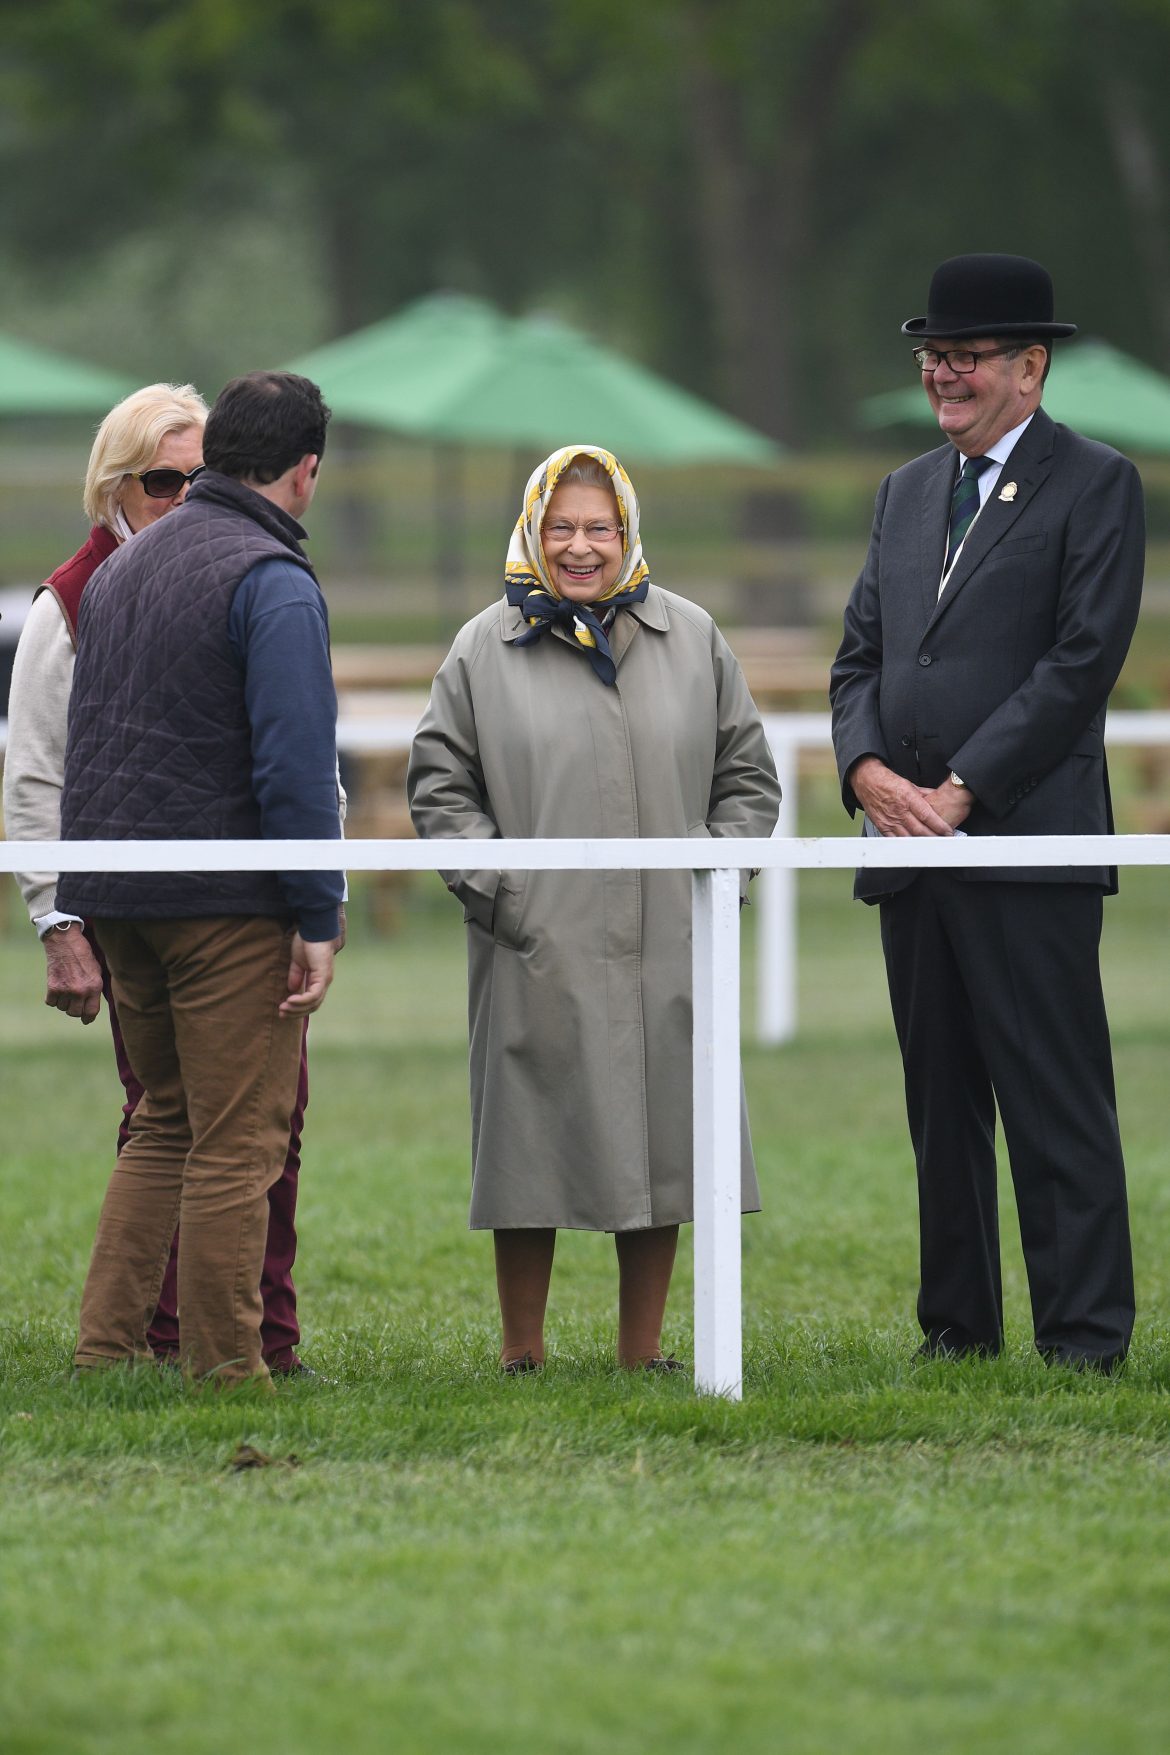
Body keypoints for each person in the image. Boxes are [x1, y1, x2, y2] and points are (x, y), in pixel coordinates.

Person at [830, 253, 1145, 1371]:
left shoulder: (1097, 483)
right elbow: (861, 654)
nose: (944, 377)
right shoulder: (907, 491)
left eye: (964, 358)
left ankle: (1085, 1338)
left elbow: (1078, 664)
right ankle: (957, 1331)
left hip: (1026, 847)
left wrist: (962, 791)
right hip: (909, 850)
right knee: (941, 1109)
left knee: (1055, 1103)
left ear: (1031, 365)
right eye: (933, 358)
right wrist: (867, 770)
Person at [408, 444, 780, 1373]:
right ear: (533, 530)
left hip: (669, 940)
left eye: (599, 528)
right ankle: (520, 1351)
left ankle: (641, 1352)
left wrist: (714, 886)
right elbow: (441, 787)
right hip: (537, 942)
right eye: (561, 527)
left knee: (664, 1142)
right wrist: (509, 897)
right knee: (527, 1141)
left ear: (629, 532)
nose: (581, 547)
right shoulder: (480, 647)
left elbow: (748, 780)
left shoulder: (693, 637)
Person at [2, 383, 316, 1375]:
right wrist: (319, 908)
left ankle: (107, 1351)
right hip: (223, 899)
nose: (176, 491)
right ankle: (229, 1369)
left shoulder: (116, 578)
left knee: (164, 1125)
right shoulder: (267, 573)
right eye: (158, 477)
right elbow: (295, 761)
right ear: (307, 469)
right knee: (237, 1139)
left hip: (126, 894)